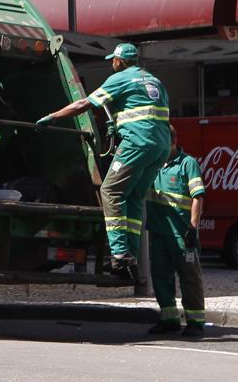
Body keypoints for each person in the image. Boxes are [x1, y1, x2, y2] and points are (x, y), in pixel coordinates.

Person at [37, 43, 170, 279]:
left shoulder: (120, 78)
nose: (111, 64)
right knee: (134, 198)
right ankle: (130, 257)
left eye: (113, 60)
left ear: (119, 61)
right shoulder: (154, 80)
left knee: (110, 191)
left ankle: (119, 254)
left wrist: (53, 117)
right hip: (160, 147)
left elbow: (83, 104)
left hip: (137, 143)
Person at [146, 125, 206, 338]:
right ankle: (169, 319)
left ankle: (196, 322)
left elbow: (198, 197)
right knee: (161, 277)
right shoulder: (153, 164)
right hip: (159, 234)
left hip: (182, 235)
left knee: (190, 278)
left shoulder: (187, 164)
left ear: (171, 142)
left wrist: (193, 227)